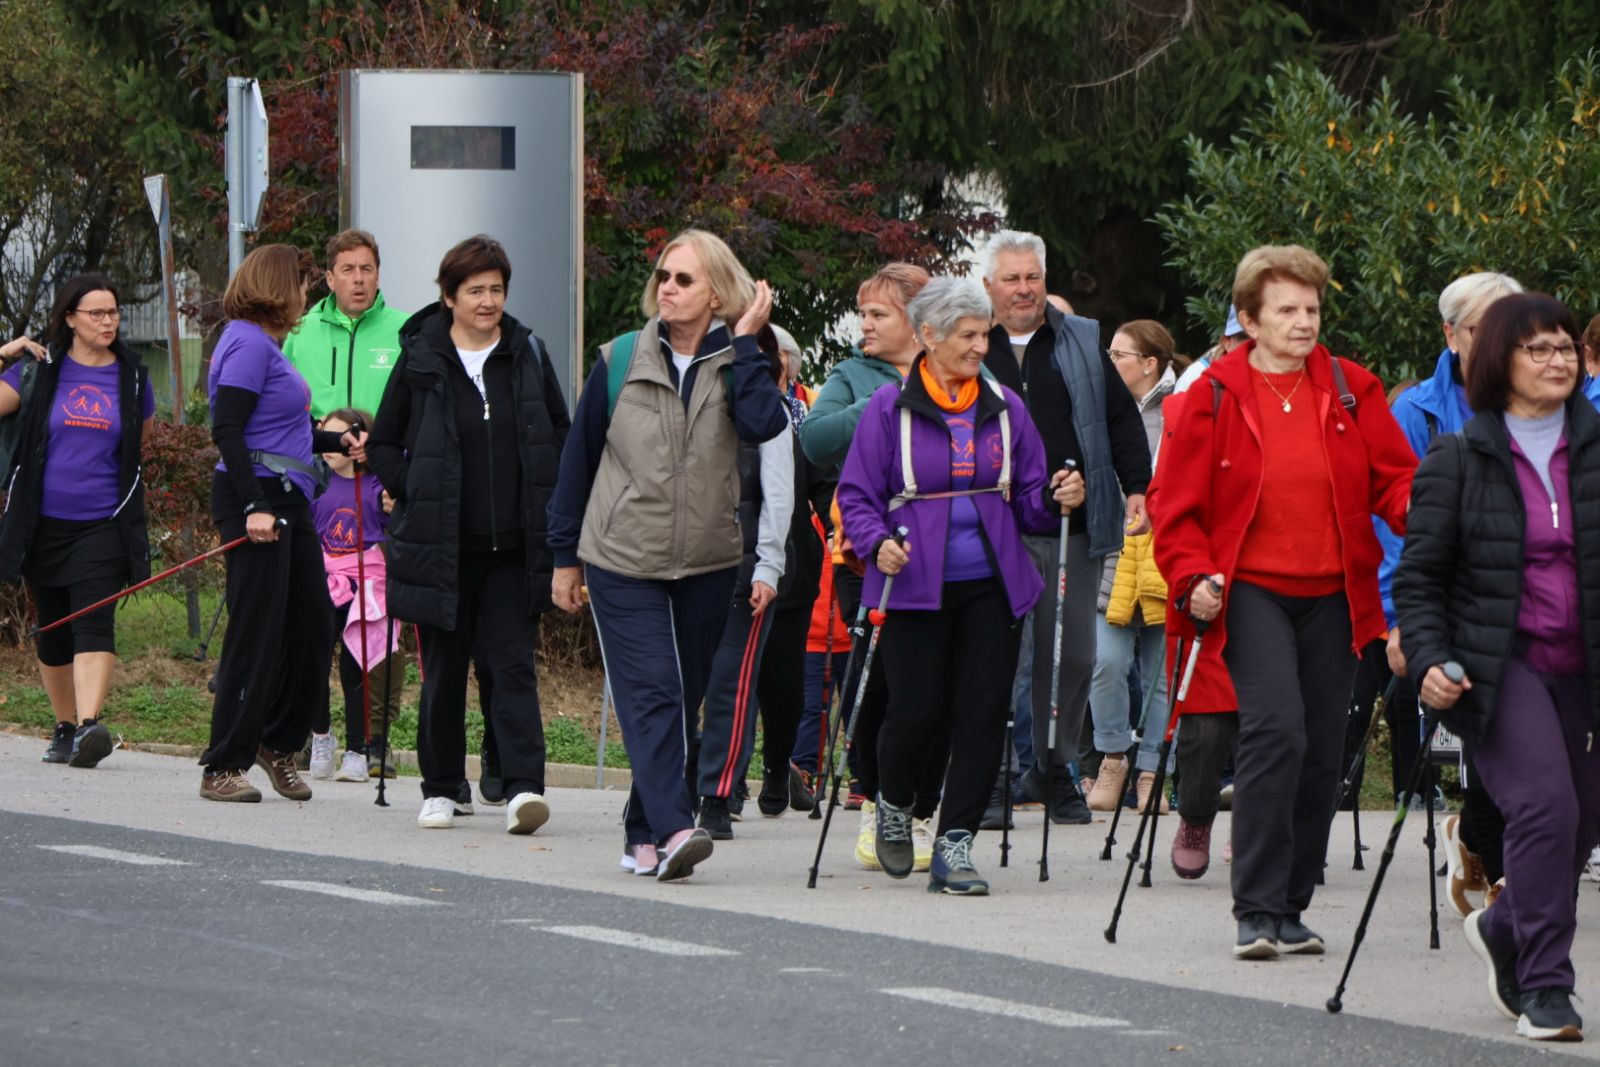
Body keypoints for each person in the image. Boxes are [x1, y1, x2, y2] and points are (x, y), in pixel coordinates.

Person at [1149, 243, 1416, 959]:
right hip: (1252, 590)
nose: (1304, 323)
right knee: (1278, 731)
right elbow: (1173, 507)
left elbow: (1394, 480)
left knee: (1325, 748)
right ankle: (1256, 907)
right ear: (1248, 319)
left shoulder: (1352, 386)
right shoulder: (1208, 395)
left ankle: (1293, 905)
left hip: (1337, 591)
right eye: (1288, 310)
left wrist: (1428, 512)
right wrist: (1193, 574)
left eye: (1313, 309)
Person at [547, 228, 787, 881]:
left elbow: (768, 426)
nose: (668, 288)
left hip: (708, 559)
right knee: (653, 691)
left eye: (684, 278)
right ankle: (678, 825)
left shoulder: (740, 361)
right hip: (623, 555)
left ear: (716, 291)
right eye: (663, 276)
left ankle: (641, 832)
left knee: (683, 695)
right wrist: (564, 556)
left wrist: (745, 343)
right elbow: (579, 459)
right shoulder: (619, 358)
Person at [1394, 291, 1600, 1042]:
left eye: (1566, 347)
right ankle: (1547, 985)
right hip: (1499, 665)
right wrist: (1429, 657)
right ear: (1497, 361)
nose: (1557, 360)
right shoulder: (1459, 456)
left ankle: (1506, 923)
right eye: (1537, 348)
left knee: (1581, 821)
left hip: (1584, 668)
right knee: (1546, 806)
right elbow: (1419, 580)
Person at [837, 275, 1076, 895]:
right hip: (913, 581)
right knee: (915, 710)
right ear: (928, 336)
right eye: (968, 335)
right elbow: (857, 495)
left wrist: (1057, 497)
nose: (980, 346)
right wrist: (875, 542)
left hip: (993, 585)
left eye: (984, 334)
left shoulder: (1004, 405)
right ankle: (894, 804)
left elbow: (1029, 500)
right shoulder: (888, 409)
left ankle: (955, 844)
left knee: (982, 713)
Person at [368, 235, 569, 836]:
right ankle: (441, 787)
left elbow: (559, 434)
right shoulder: (421, 358)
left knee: (512, 668)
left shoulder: (527, 351)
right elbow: (382, 442)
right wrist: (413, 485)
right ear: (449, 296)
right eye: (476, 290)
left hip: (513, 547)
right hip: (441, 546)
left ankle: (524, 788)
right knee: (444, 673)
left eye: (497, 289)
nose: (488, 302)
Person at [980, 230, 1153, 825]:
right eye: (1012, 278)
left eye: (1033, 276)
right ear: (988, 287)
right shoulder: (972, 343)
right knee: (1000, 653)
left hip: (1071, 523)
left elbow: (1120, 419)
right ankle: (994, 774)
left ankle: (1053, 768)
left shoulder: (1081, 338)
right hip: (992, 525)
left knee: (1074, 655)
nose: (1024, 289)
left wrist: (1136, 488)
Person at [1375, 272, 1522, 914]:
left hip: (1531, 601)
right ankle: (1496, 856)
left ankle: (1491, 850)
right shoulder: (1415, 413)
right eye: (1480, 329)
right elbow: (1392, 527)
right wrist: (1402, 620)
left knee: (1526, 737)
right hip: (1450, 603)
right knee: (1495, 733)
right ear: (1451, 335)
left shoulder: (1550, 399)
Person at [202, 245, 366, 803]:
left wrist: (333, 440)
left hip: (289, 495)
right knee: (257, 631)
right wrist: (253, 506)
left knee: (313, 627)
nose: (307, 295)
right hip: (258, 497)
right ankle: (222, 765)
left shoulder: (267, 345)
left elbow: (279, 431)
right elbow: (228, 430)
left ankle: (277, 745)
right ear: (278, 287)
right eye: (301, 285)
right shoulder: (247, 342)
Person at [799, 262, 946, 871]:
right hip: (867, 554)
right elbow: (813, 440)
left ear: (919, 321)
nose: (864, 325)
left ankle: (921, 807)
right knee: (875, 682)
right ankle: (872, 800)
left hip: (946, 557)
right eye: (864, 313)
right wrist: (889, 403)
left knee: (936, 689)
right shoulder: (853, 374)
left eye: (878, 314)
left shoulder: (965, 370)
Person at [0, 276, 152, 768]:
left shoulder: (131, 376)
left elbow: (139, 440)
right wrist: (6, 354)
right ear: (70, 318)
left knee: (94, 619)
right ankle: (64, 725)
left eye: (113, 313)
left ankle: (89, 726)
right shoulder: (38, 371)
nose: (108, 321)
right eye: (97, 314)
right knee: (54, 630)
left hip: (103, 522)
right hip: (41, 521)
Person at [691, 327, 795, 837]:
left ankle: (717, 794)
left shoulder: (769, 413)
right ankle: (672, 785)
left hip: (746, 562)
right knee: (678, 685)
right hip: (684, 560)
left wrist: (768, 566)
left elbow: (779, 493)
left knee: (732, 686)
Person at [1084, 320, 1178, 814]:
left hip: (1165, 553)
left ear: (1149, 365)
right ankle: (1112, 759)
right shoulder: (1099, 408)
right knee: (1106, 663)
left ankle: (1152, 771)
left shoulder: (1180, 410)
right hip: (1112, 550)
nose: (1109, 361)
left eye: (1119, 354)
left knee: (1161, 671)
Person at [742, 325, 835, 817]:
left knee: (781, 681)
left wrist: (844, 524)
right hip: (729, 561)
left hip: (791, 568)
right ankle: (727, 779)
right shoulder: (724, 408)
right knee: (730, 679)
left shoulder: (804, 421)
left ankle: (778, 769)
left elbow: (825, 484)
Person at [308, 406, 404, 782]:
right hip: (325, 579)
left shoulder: (380, 485)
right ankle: (320, 737)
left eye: (339, 439)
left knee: (354, 668)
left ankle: (356, 750)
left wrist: (394, 505)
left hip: (365, 583)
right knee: (315, 658)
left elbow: (394, 519)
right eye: (325, 438)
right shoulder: (316, 483)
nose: (329, 447)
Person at [282, 228, 409, 419]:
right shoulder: (300, 331)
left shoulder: (407, 330)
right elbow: (282, 403)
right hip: (317, 448)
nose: (358, 279)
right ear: (330, 279)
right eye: (348, 270)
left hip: (379, 449)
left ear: (378, 277)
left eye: (366, 269)